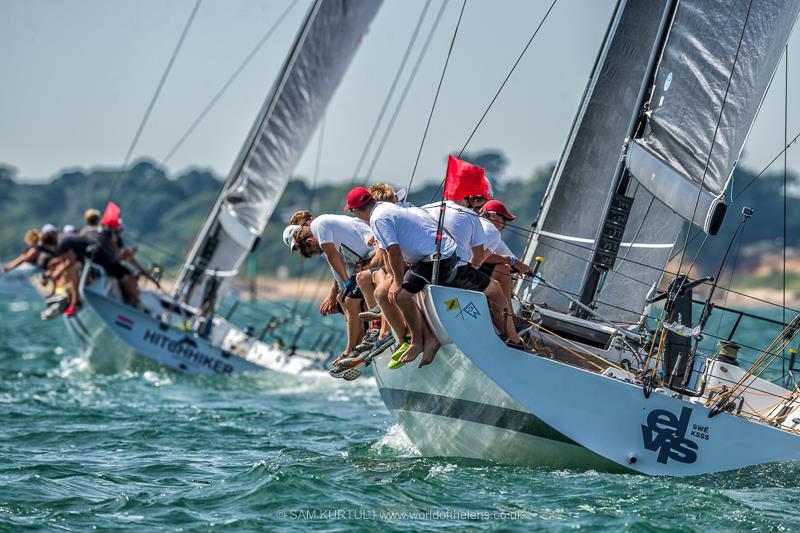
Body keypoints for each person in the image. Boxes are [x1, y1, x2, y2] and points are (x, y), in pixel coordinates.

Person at [348, 187, 523, 369]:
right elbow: (389, 252)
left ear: (356, 210)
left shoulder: (382, 216)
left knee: (398, 295)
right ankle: (513, 339)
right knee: (494, 288)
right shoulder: (387, 208)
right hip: (440, 258)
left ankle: (414, 340)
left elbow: (393, 252)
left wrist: (398, 282)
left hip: (436, 260)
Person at [292, 213, 374, 359]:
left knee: (349, 300)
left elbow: (332, 257)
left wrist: (347, 284)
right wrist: (342, 288)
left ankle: (352, 348)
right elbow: (340, 265)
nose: (316, 253)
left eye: (313, 252)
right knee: (344, 298)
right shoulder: (322, 232)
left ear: (310, 241)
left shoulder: (319, 226)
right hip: (366, 259)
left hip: (373, 255)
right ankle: (357, 343)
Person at [478, 199, 531, 309]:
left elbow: (513, 260)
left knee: (503, 267)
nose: (505, 224)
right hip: (465, 276)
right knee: (503, 270)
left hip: (452, 270)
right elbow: (476, 258)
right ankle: (509, 317)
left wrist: (518, 265)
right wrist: (510, 261)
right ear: (492, 216)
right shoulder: (491, 230)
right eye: (503, 219)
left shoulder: (478, 224)